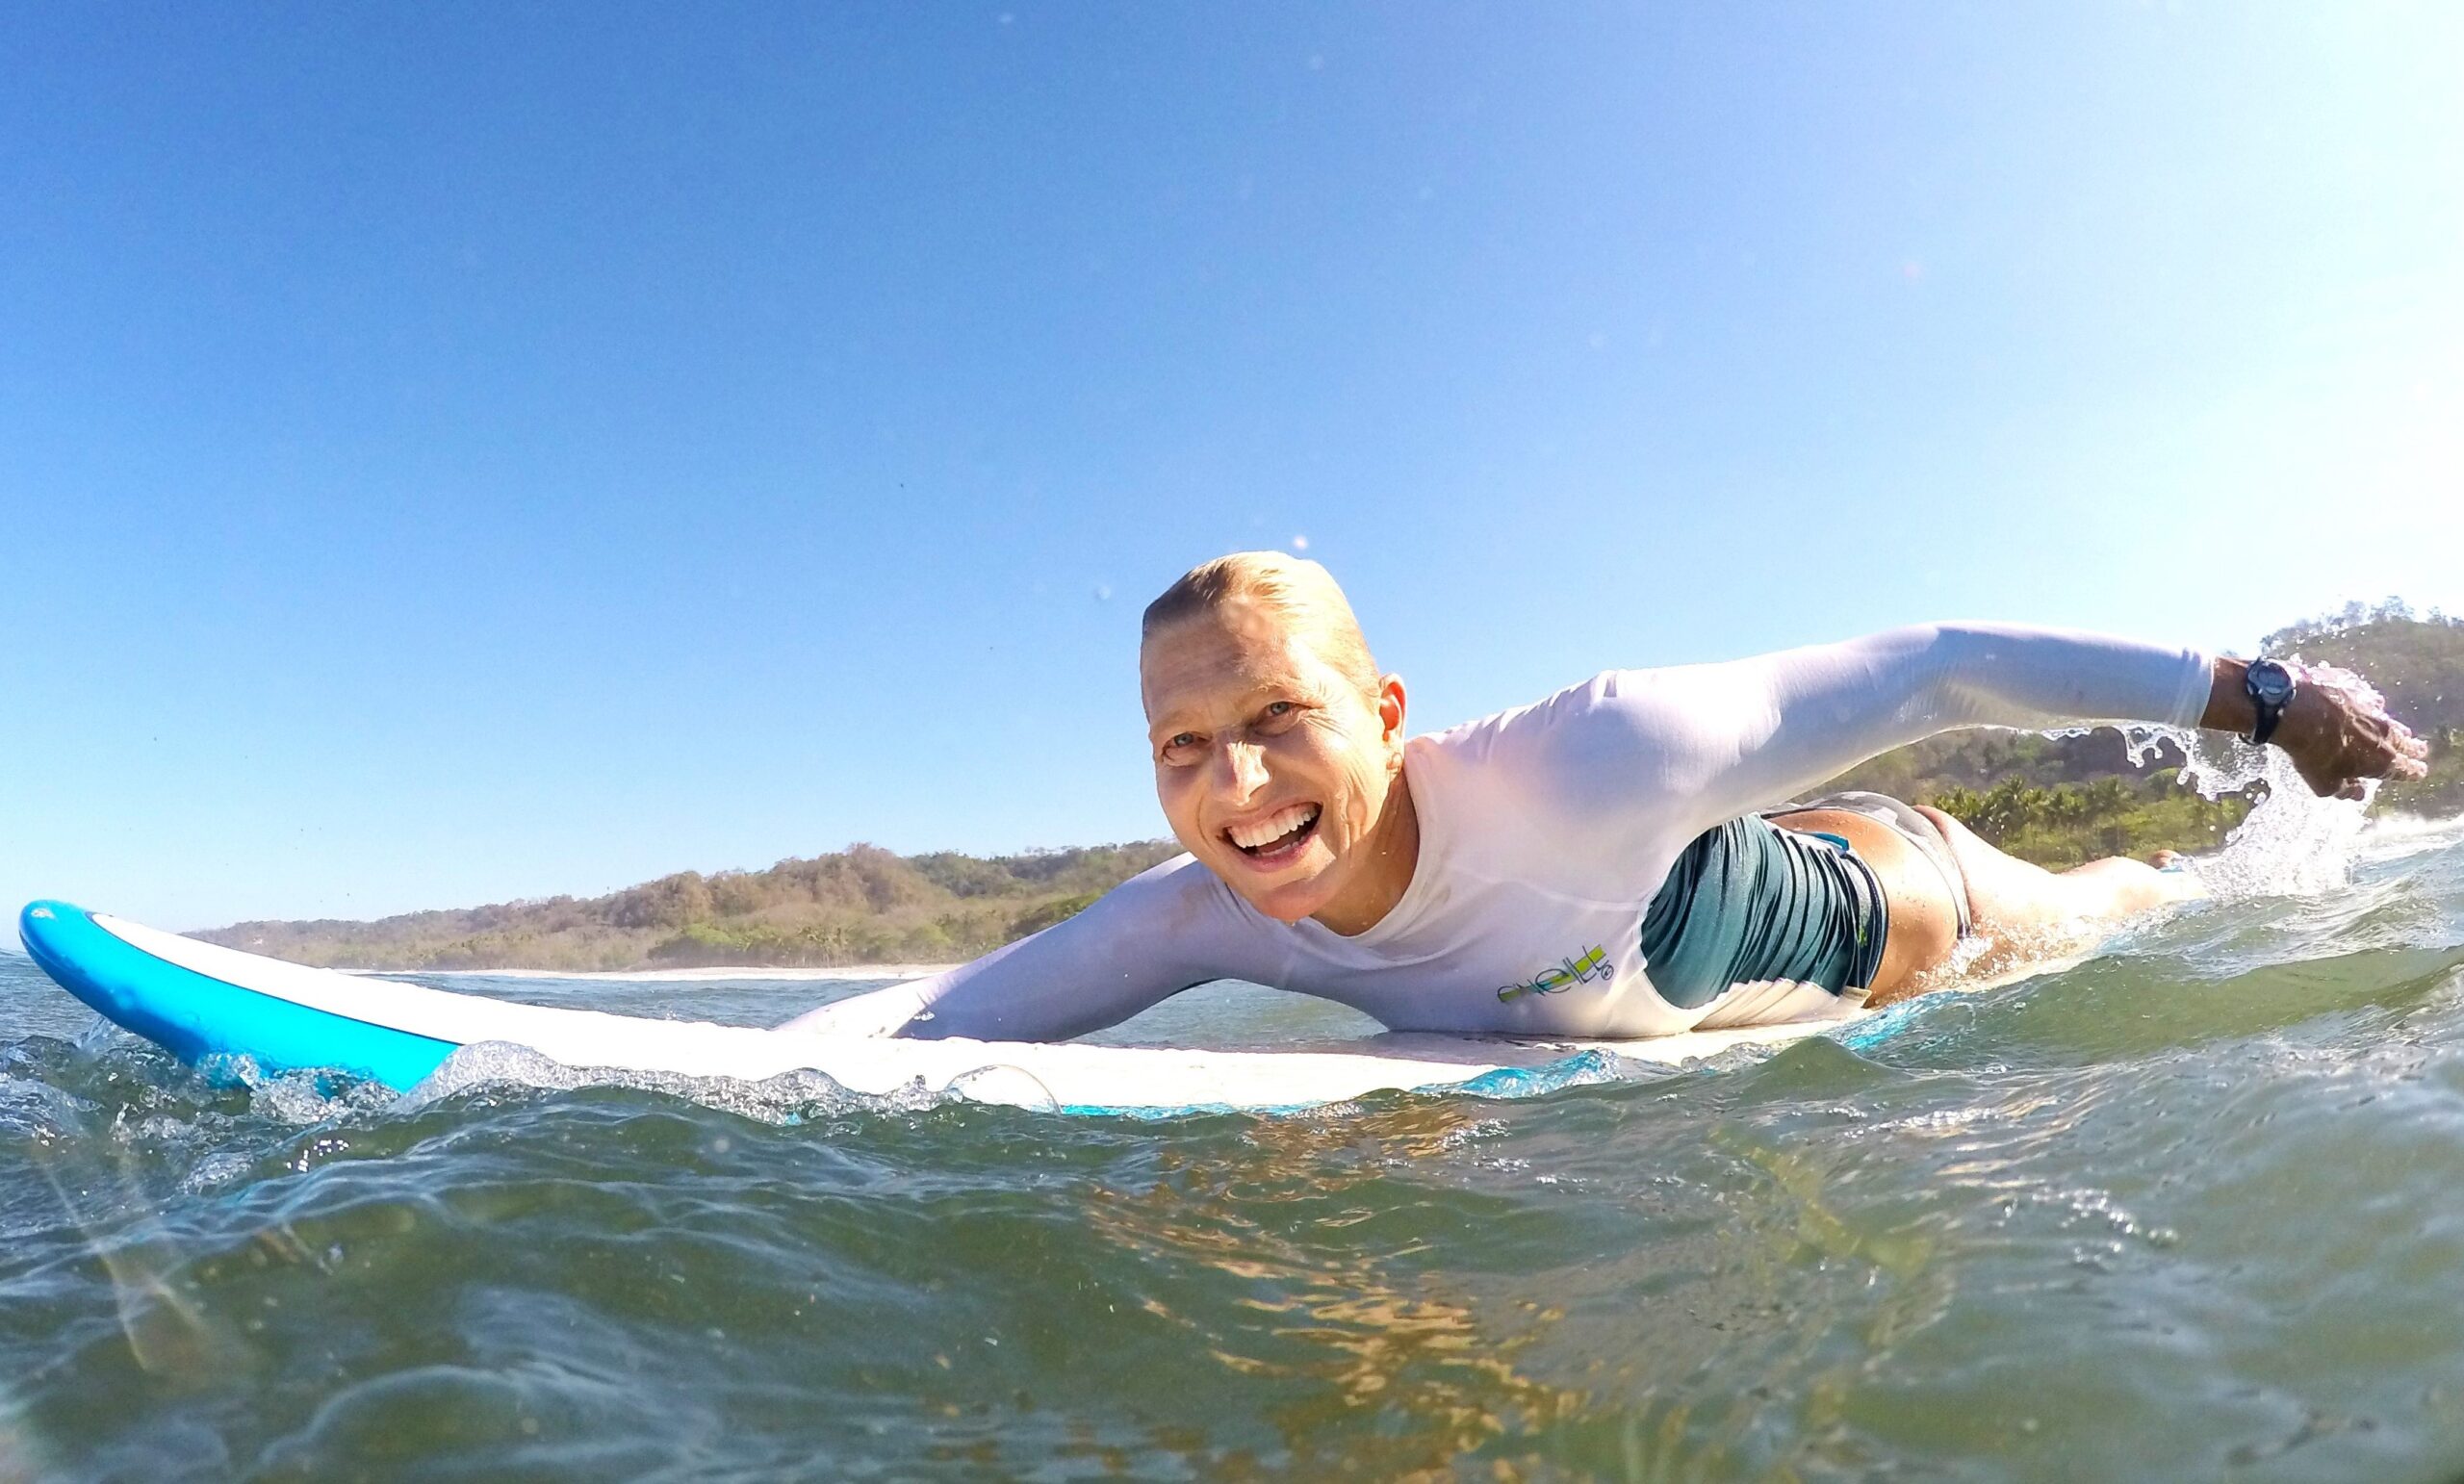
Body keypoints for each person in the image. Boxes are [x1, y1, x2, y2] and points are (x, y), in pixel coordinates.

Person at [780, 552, 2427, 1043]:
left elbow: (1934, 663)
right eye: (1184, 748)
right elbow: (952, 1018)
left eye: (1279, 719)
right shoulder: (1210, 918)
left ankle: (2162, 862)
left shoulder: (1591, 761)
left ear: (1385, 713)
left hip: (1933, 907)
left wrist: (2264, 698)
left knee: (2123, 911)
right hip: (1678, 983)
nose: (1237, 784)